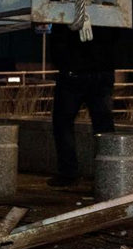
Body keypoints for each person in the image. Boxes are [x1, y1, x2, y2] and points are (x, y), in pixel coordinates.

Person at [47, 23, 117, 187]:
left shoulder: (69, 16)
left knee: (63, 123)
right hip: (101, 71)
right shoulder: (106, 15)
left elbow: (58, 38)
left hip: (74, 72)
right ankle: (109, 173)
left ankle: (68, 173)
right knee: (103, 126)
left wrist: (62, 62)